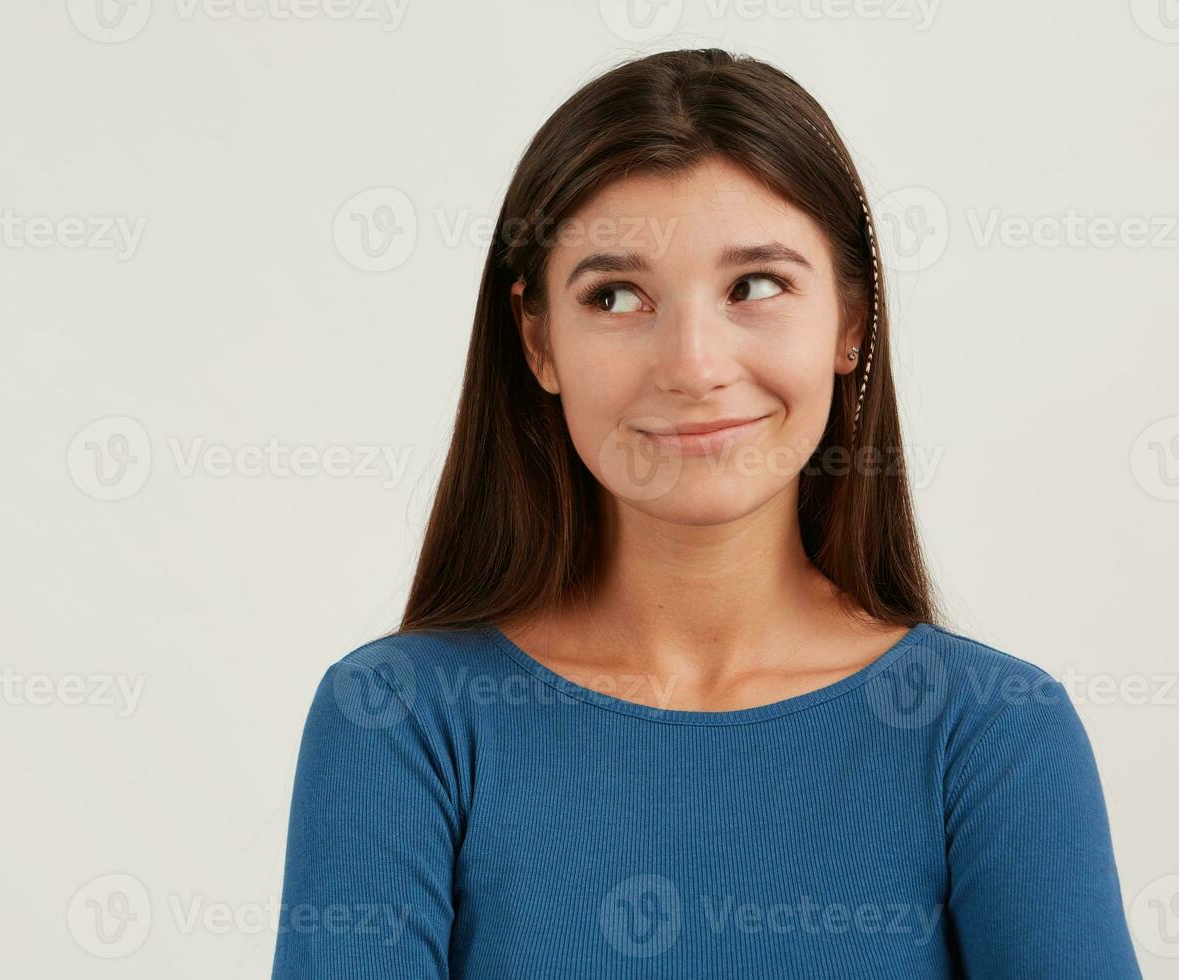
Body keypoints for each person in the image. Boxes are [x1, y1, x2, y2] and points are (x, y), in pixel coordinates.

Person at [270, 48, 1143, 978]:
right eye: (615, 296)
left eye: (755, 286)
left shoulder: (993, 733)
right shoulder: (399, 723)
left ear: (851, 320)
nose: (692, 364)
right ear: (539, 343)